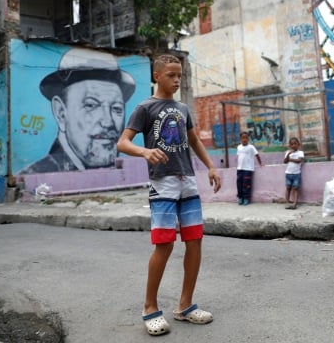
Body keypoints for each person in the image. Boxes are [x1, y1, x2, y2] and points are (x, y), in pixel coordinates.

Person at [116, 53, 221, 336]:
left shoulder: (183, 108)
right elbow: (123, 142)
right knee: (164, 244)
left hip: (186, 179)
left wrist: (210, 166)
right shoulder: (144, 107)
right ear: (157, 76)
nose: (176, 80)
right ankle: (150, 308)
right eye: (171, 75)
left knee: (195, 241)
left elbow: (194, 140)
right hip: (162, 183)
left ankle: (185, 306)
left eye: (179, 75)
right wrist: (145, 151)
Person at [21, 48, 135, 174]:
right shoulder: (37, 176)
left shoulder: (128, 172)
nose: (108, 122)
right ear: (61, 113)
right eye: (91, 105)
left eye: (116, 108)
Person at [236, 131, 262, 205]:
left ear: (248, 139)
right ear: (240, 139)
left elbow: (257, 155)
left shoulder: (251, 147)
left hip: (248, 169)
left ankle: (246, 198)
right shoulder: (239, 147)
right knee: (239, 184)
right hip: (239, 168)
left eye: (246, 138)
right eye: (243, 138)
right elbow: (239, 157)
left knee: (246, 184)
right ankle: (240, 198)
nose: (244, 139)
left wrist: (260, 163)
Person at [283, 137, 305, 209]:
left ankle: (295, 203)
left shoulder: (300, 152)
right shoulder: (288, 152)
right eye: (291, 144)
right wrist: (288, 154)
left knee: (295, 188)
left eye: (295, 144)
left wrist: (290, 159)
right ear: (290, 145)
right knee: (288, 188)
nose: (293, 145)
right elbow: (285, 161)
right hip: (288, 173)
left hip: (296, 174)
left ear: (298, 144)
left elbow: (299, 160)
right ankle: (287, 202)